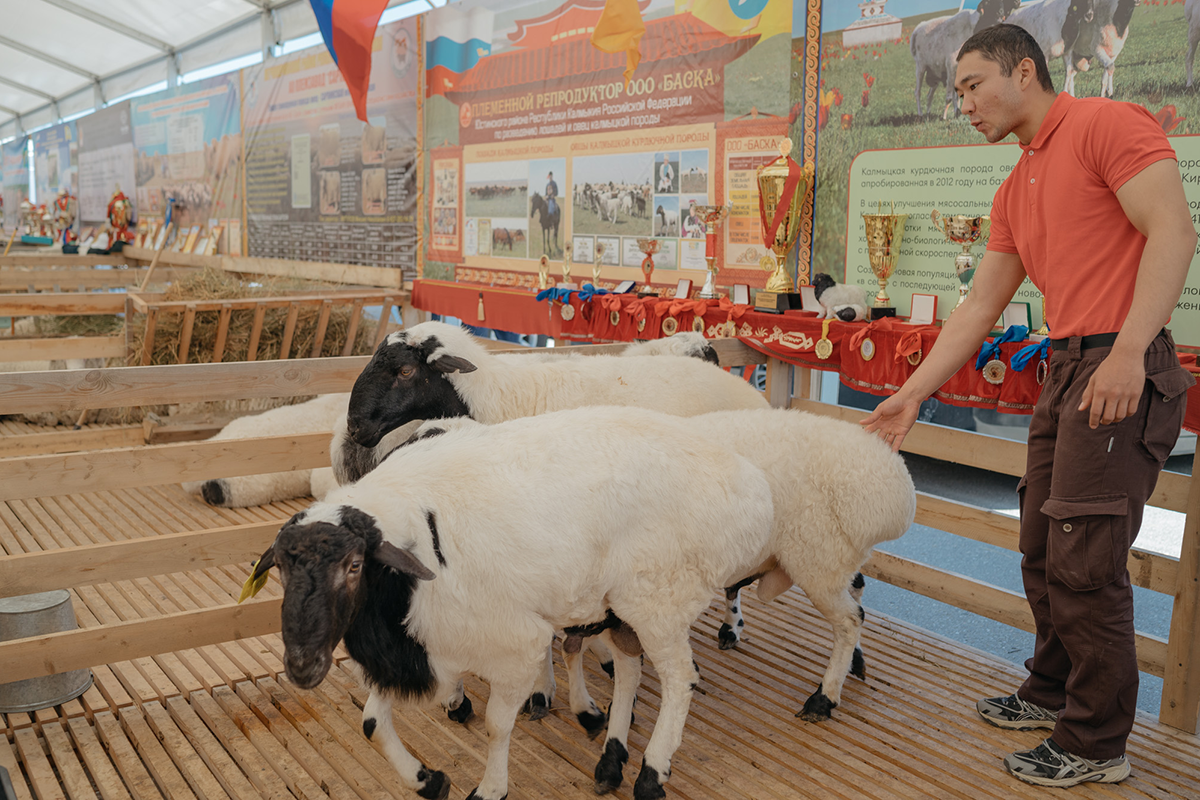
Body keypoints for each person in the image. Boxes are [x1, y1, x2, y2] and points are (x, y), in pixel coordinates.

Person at [862, 24, 1196, 788]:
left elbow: (1174, 233)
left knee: (1086, 563)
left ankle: (1095, 744)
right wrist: (910, 396)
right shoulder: (1017, 183)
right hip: (1067, 365)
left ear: (1024, 70)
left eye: (974, 86)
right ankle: (1050, 691)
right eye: (957, 93)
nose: (965, 105)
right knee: (1044, 549)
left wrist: (1124, 354)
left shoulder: (1106, 125)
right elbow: (980, 305)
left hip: (1119, 359)